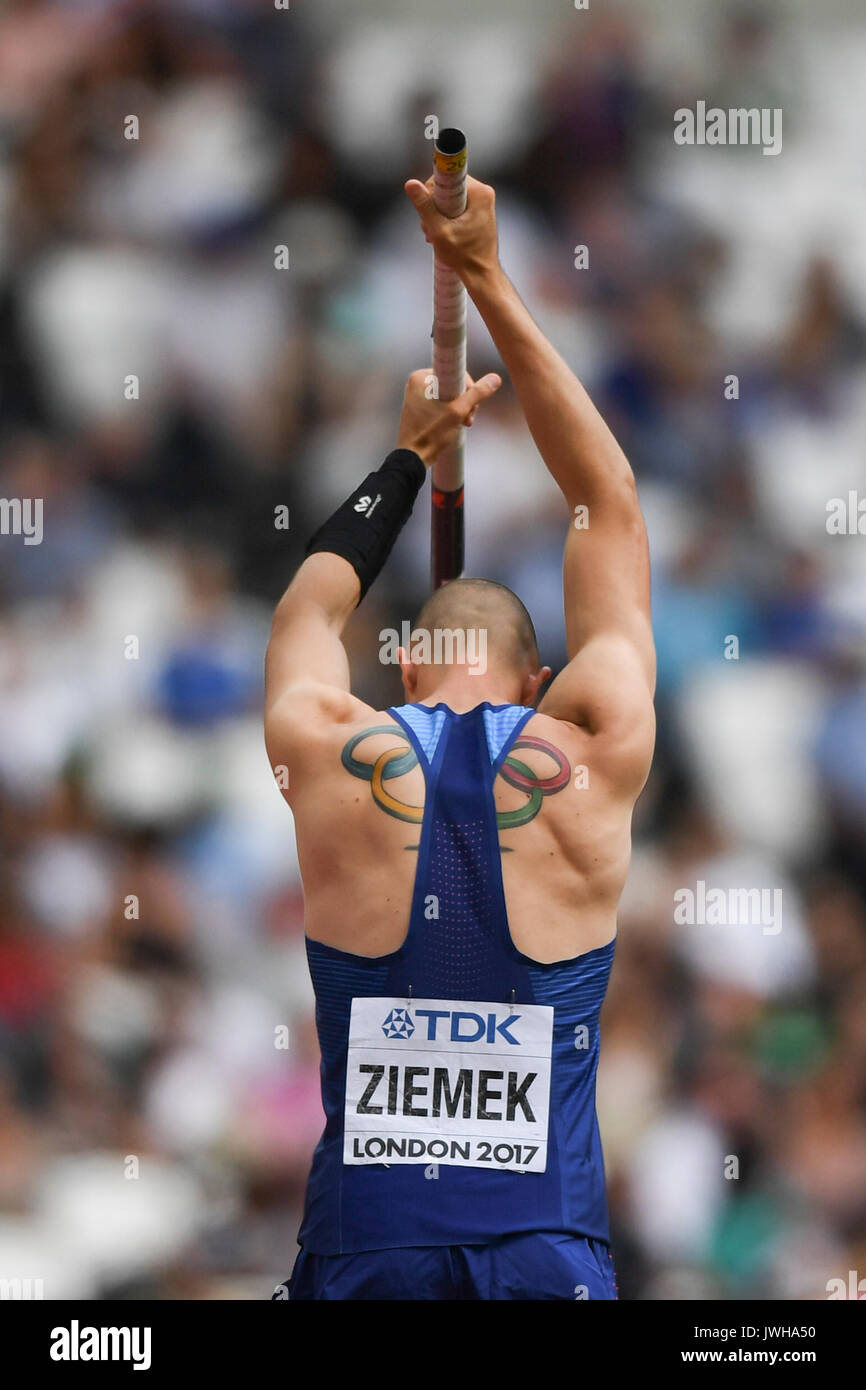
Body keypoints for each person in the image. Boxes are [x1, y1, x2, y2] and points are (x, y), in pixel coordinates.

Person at [266, 174, 655, 1300]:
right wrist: (483, 271)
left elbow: (307, 609)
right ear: (541, 679)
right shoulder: (589, 742)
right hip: (546, 1245)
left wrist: (402, 460)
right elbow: (608, 500)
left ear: (396, 663)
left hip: (367, 1244)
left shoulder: (333, 744)